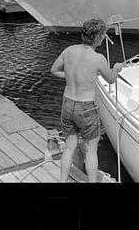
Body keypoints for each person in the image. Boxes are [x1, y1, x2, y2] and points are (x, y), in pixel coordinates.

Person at [50, 18, 124, 182]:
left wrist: (70, 76)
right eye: (103, 35)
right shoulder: (98, 59)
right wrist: (117, 68)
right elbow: (111, 79)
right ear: (98, 37)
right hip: (87, 108)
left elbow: (54, 70)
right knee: (91, 151)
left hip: (68, 103)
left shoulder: (68, 50)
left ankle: (62, 181)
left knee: (69, 147)